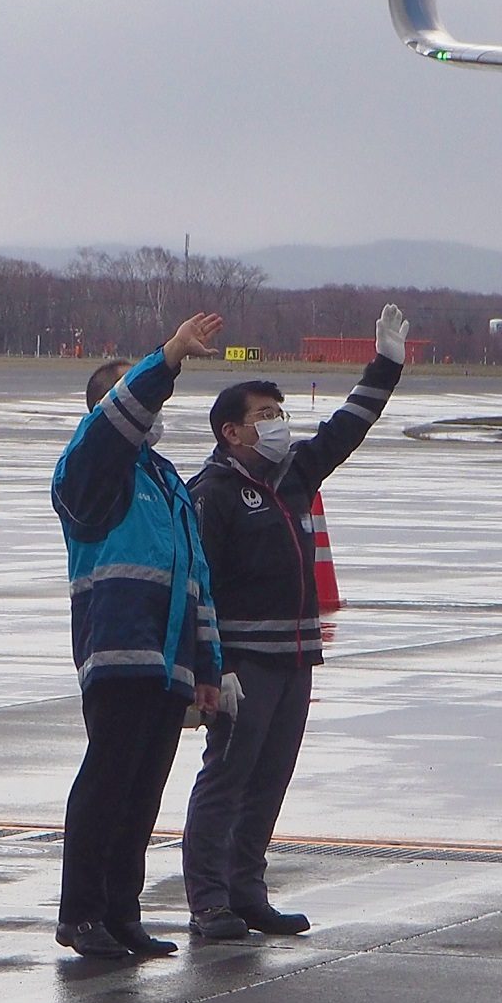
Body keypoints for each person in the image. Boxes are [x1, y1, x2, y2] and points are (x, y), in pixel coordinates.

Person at [180, 307, 407, 941]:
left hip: (296, 656)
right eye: (264, 416)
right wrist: (211, 666)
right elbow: (199, 585)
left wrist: (384, 366)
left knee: (270, 778)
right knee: (228, 775)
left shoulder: (295, 476)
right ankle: (208, 899)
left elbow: (346, 429)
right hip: (245, 662)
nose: (278, 425)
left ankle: (248, 889)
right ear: (231, 431)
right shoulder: (214, 493)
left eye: (281, 414)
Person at [48, 314, 227, 959]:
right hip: (120, 653)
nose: (151, 411)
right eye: (133, 397)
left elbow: (196, 578)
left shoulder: (167, 482)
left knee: (144, 787)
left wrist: (208, 665)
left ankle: (123, 910)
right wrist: (169, 358)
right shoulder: (90, 472)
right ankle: (81, 911)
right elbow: (112, 425)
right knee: (108, 780)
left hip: (169, 658)